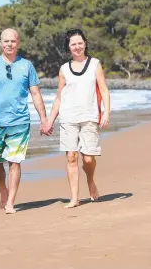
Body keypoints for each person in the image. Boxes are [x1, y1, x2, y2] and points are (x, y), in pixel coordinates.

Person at [0, 28, 51, 214]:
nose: (9, 44)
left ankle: (10, 202)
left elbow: (35, 93)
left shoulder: (27, 66)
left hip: (19, 121)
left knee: (15, 161)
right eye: (6, 41)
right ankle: (3, 189)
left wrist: (44, 119)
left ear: (18, 43)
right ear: (1, 43)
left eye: (13, 41)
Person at [44, 28, 111, 208]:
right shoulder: (64, 69)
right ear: (68, 47)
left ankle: (90, 180)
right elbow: (59, 96)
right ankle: (75, 198)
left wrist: (106, 112)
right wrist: (50, 120)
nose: (77, 47)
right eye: (73, 44)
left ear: (85, 44)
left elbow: (104, 89)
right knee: (71, 157)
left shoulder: (95, 64)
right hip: (68, 118)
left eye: (80, 43)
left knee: (88, 159)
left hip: (90, 116)